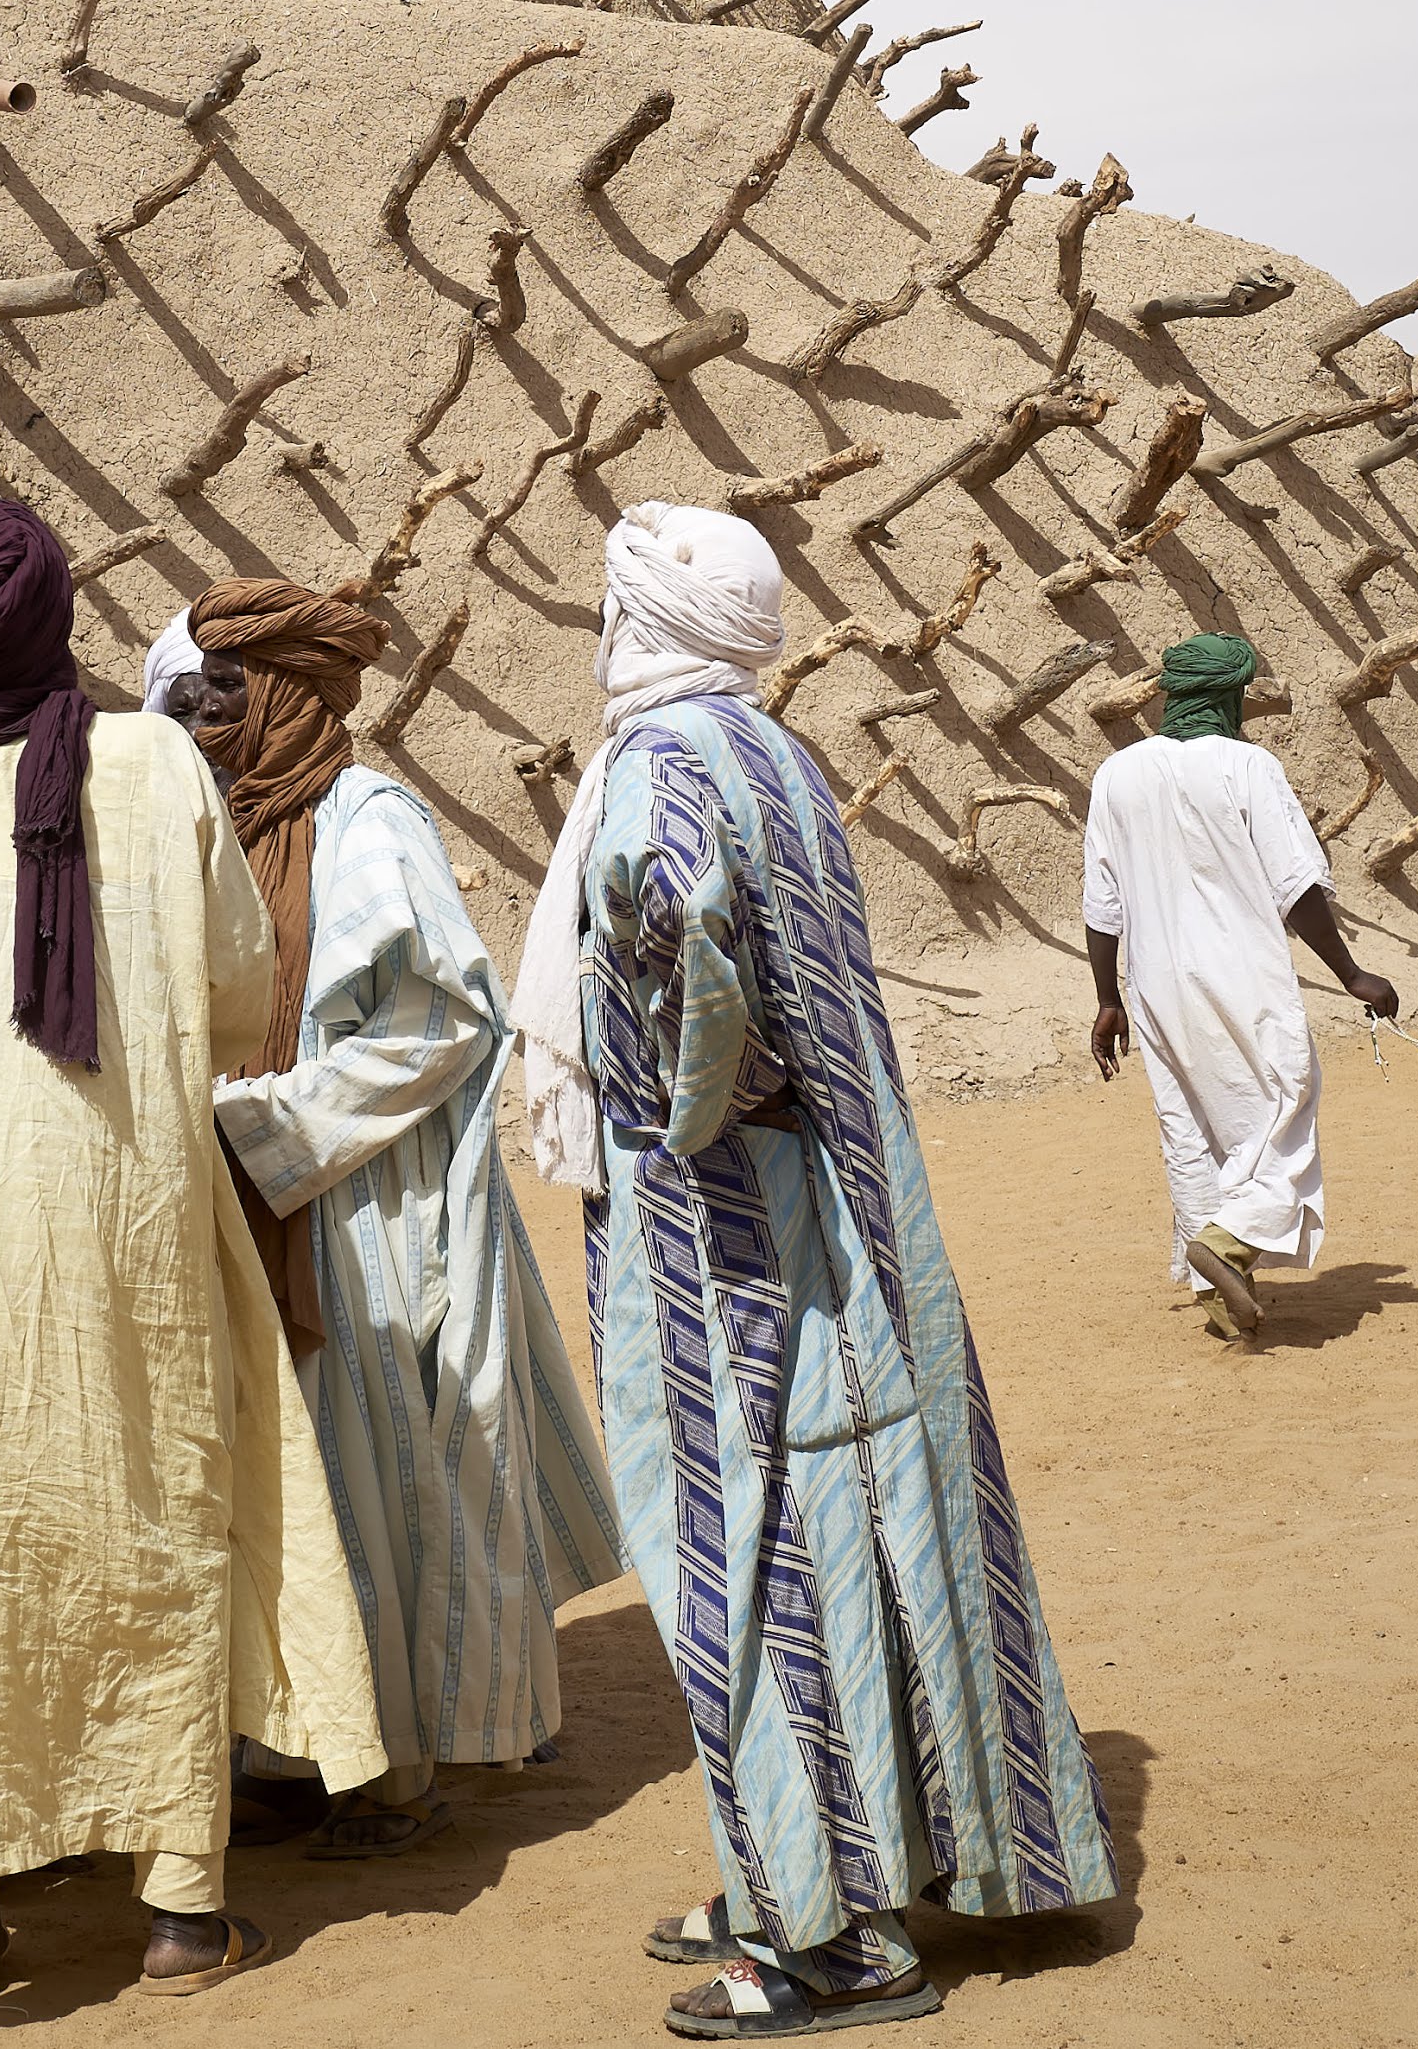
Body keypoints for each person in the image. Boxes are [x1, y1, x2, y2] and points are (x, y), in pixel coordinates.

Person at [515, 502, 1120, 2036]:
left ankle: (832, 1938)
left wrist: (696, 1096)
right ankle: (811, 1860)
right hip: (842, 1213)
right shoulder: (770, 749)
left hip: (720, 1235)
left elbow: (673, 934)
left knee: (749, 1542)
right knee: (859, 1523)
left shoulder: (654, 768)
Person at [0, 479, 381, 2009]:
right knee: (157, 1513)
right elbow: (245, 996)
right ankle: (182, 1908)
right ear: (54, 610)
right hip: (131, 1223)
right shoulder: (149, 763)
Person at [151, 577, 624, 1864]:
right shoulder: (224, 822)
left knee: (393, 1469)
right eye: (192, 689)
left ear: (291, 697)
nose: (196, 711)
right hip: (261, 1194)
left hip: (372, 1203)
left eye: (223, 690)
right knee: (281, 1473)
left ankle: (397, 1773)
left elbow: (439, 1021)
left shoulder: (371, 822)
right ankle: (296, 1745)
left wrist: (265, 1120)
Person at [1076, 633, 1402, 1336]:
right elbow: (1295, 887)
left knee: (1190, 1126)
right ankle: (1226, 1245)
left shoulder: (1118, 774)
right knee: (1287, 1103)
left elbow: (1101, 903)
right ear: (1230, 696)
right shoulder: (1249, 766)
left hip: (1155, 984)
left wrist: (1108, 999)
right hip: (1241, 975)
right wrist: (1352, 974)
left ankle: (1217, 1297)